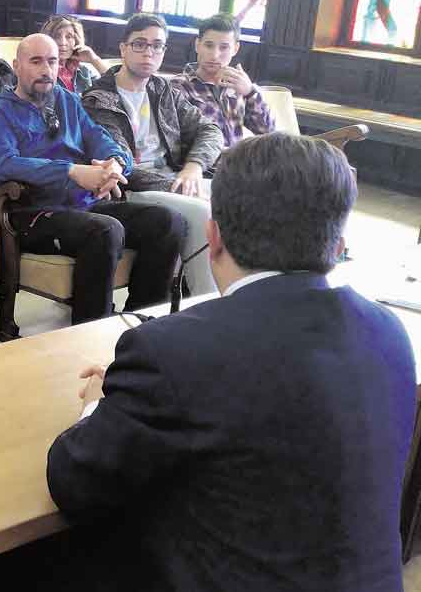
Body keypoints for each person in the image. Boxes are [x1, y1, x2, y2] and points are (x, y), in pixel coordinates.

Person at [47, 133, 414, 592]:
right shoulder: (388, 332)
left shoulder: (172, 351)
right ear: (339, 240)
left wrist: (100, 404)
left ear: (213, 236)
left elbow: (73, 483)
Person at [0, 34, 186, 324]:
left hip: (84, 204)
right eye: (35, 61)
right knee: (105, 230)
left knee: (167, 221)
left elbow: (100, 139)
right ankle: (89, 329)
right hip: (32, 212)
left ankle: (142, 320)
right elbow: (4, 165)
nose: (45, 70)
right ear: (17, 66)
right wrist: (71, 171)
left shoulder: (66, 99)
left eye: (52, 61)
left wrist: (115, 166)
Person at [82, 13, 224, 295]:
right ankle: (205, 305)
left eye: (157, 45)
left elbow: (210, 131)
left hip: (175, 179)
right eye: (140, 44)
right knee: (203, 211)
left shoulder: (163, 90)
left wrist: (193, 168)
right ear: (123, 49)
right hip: (131, 191)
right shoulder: (98, 99)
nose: (149, 52)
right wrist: (178, 185)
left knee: (238, 198)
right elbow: (120, 163)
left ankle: (232, 296)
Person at [171, 13, 275, 148]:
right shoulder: (179, 86)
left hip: (234, 164)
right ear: (197, 45)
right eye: (209, 45)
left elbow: (268, 133)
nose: (215, 55)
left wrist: (250, 92)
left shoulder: (238, 86)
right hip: (197, 165)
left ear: (236, 49)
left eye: (224, 47)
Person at [40, 14, 107, 94]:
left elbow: (115, 86)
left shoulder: (84, 70)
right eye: (57, 36)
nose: (62, 43)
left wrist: (94, 60)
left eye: (69, 37)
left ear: (76, 40)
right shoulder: (40, 70)